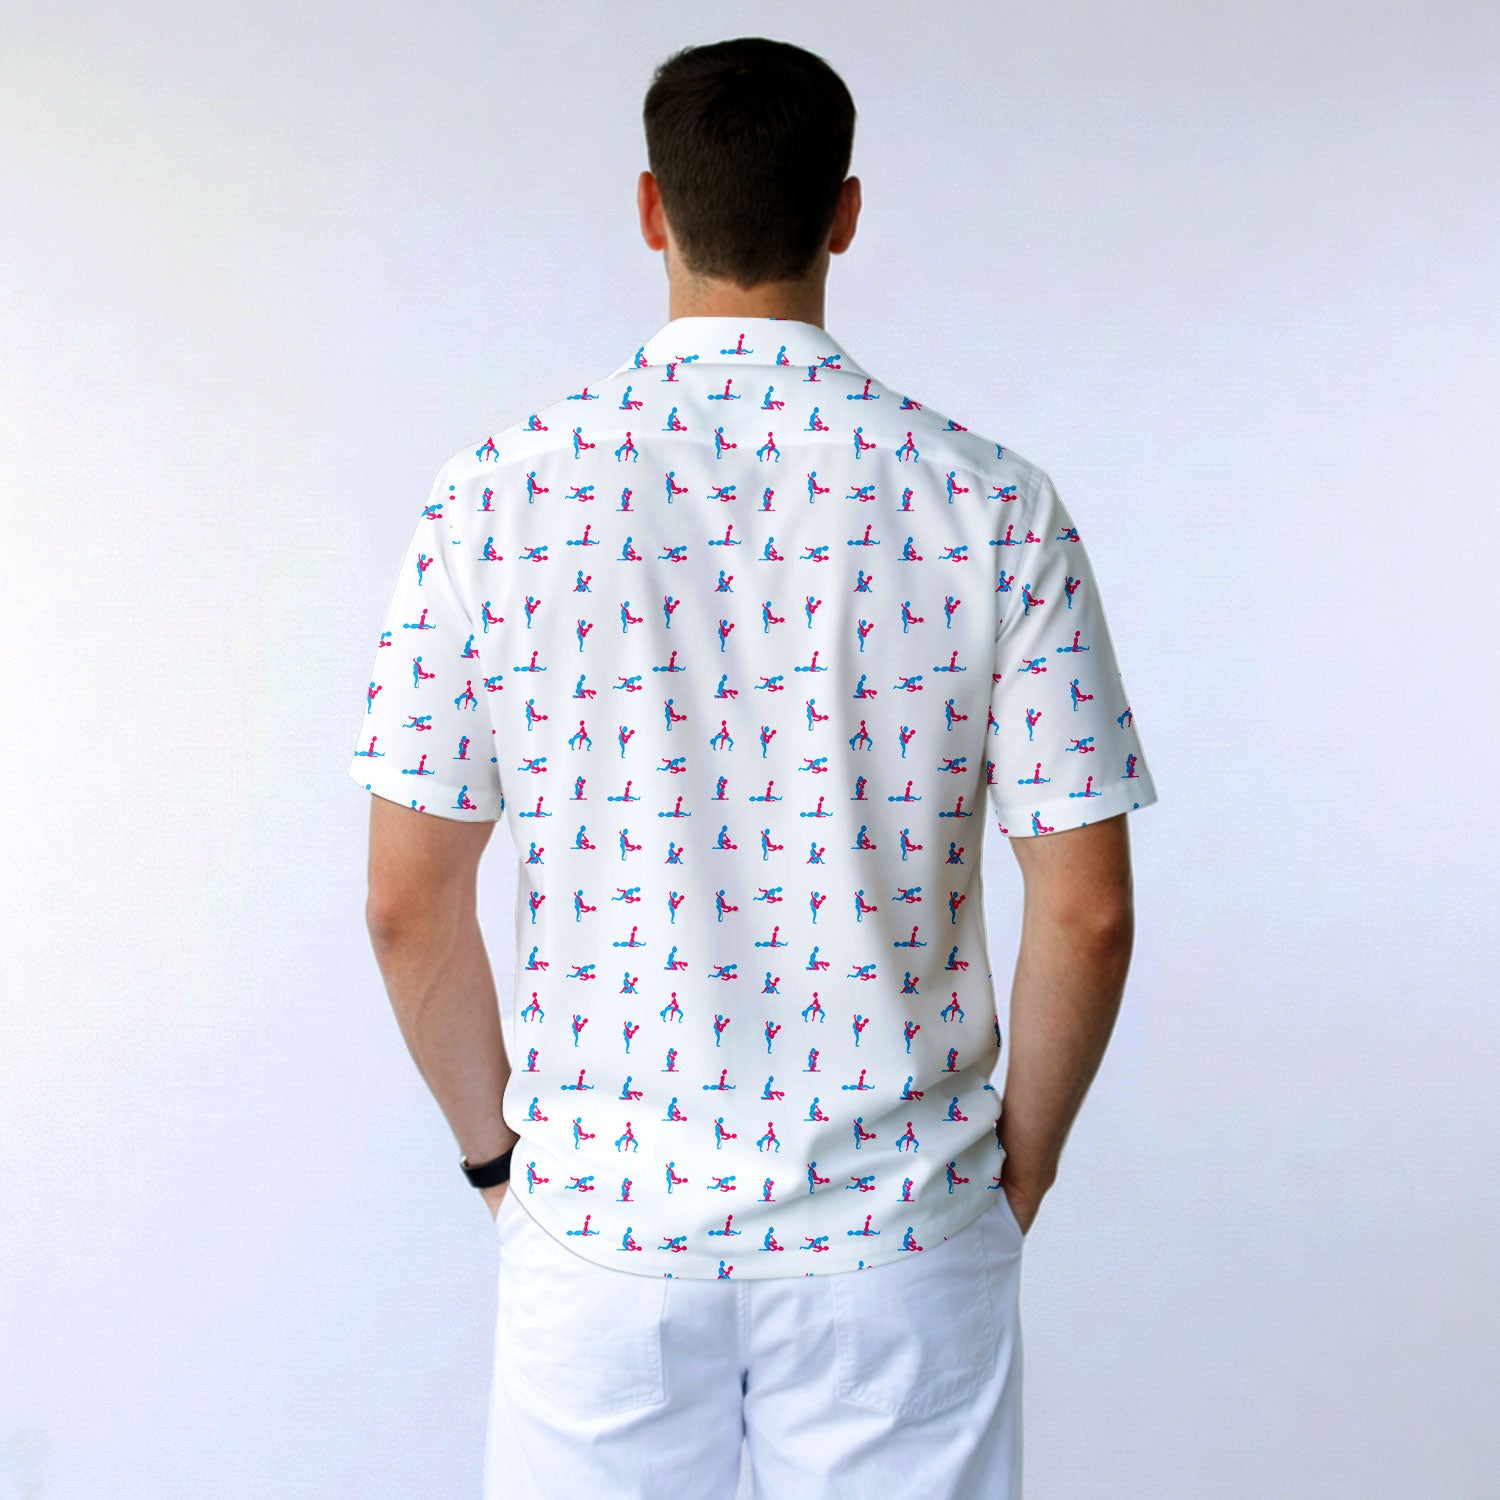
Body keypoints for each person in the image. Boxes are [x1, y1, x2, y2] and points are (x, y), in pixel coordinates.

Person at [348, 34, 1159, 1500]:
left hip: (603, 1233)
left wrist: (500, 1168)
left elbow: (407, 903)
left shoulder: (493, 500)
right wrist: (1017, 1175)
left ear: (650, 207)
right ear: (843, 214)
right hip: (899, 1235)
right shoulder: (993, 505)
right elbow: (1089, 910)